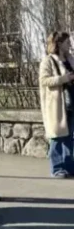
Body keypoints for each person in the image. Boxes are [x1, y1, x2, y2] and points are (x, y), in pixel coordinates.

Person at [38, 32, 74, 179]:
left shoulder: (70, 59)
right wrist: (64, 78)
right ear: (59, 44)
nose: (70, 45)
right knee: (57, 136)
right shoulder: (48, 61)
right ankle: (57, 168)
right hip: (57, 104)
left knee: (69, 136)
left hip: (71, 102)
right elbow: (44, 80)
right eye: (67, 43)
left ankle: (69, 166)